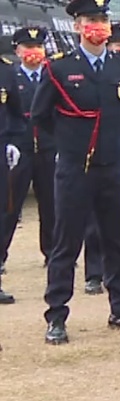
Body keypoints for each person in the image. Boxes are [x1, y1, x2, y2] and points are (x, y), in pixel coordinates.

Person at [33, 0, 120, 343]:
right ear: (78, 26)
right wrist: (67, 145)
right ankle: (56, 314)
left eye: (103, 20)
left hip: (113, 168)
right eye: (92, 21)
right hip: (75, 169)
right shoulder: (60, 67)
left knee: (116, 240)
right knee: (66, 243)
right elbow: (41, 116)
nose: (99, 26)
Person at [2, 27, 56, 293]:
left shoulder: (52, 75)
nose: (34, 52)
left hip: (48, 148)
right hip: (20, 149)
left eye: (38, 47)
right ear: (17, 51)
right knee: (10, 205)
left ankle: (52, 253)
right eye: (28, 47)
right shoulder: (10, 75)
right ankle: (2, 254)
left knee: (51, 204)